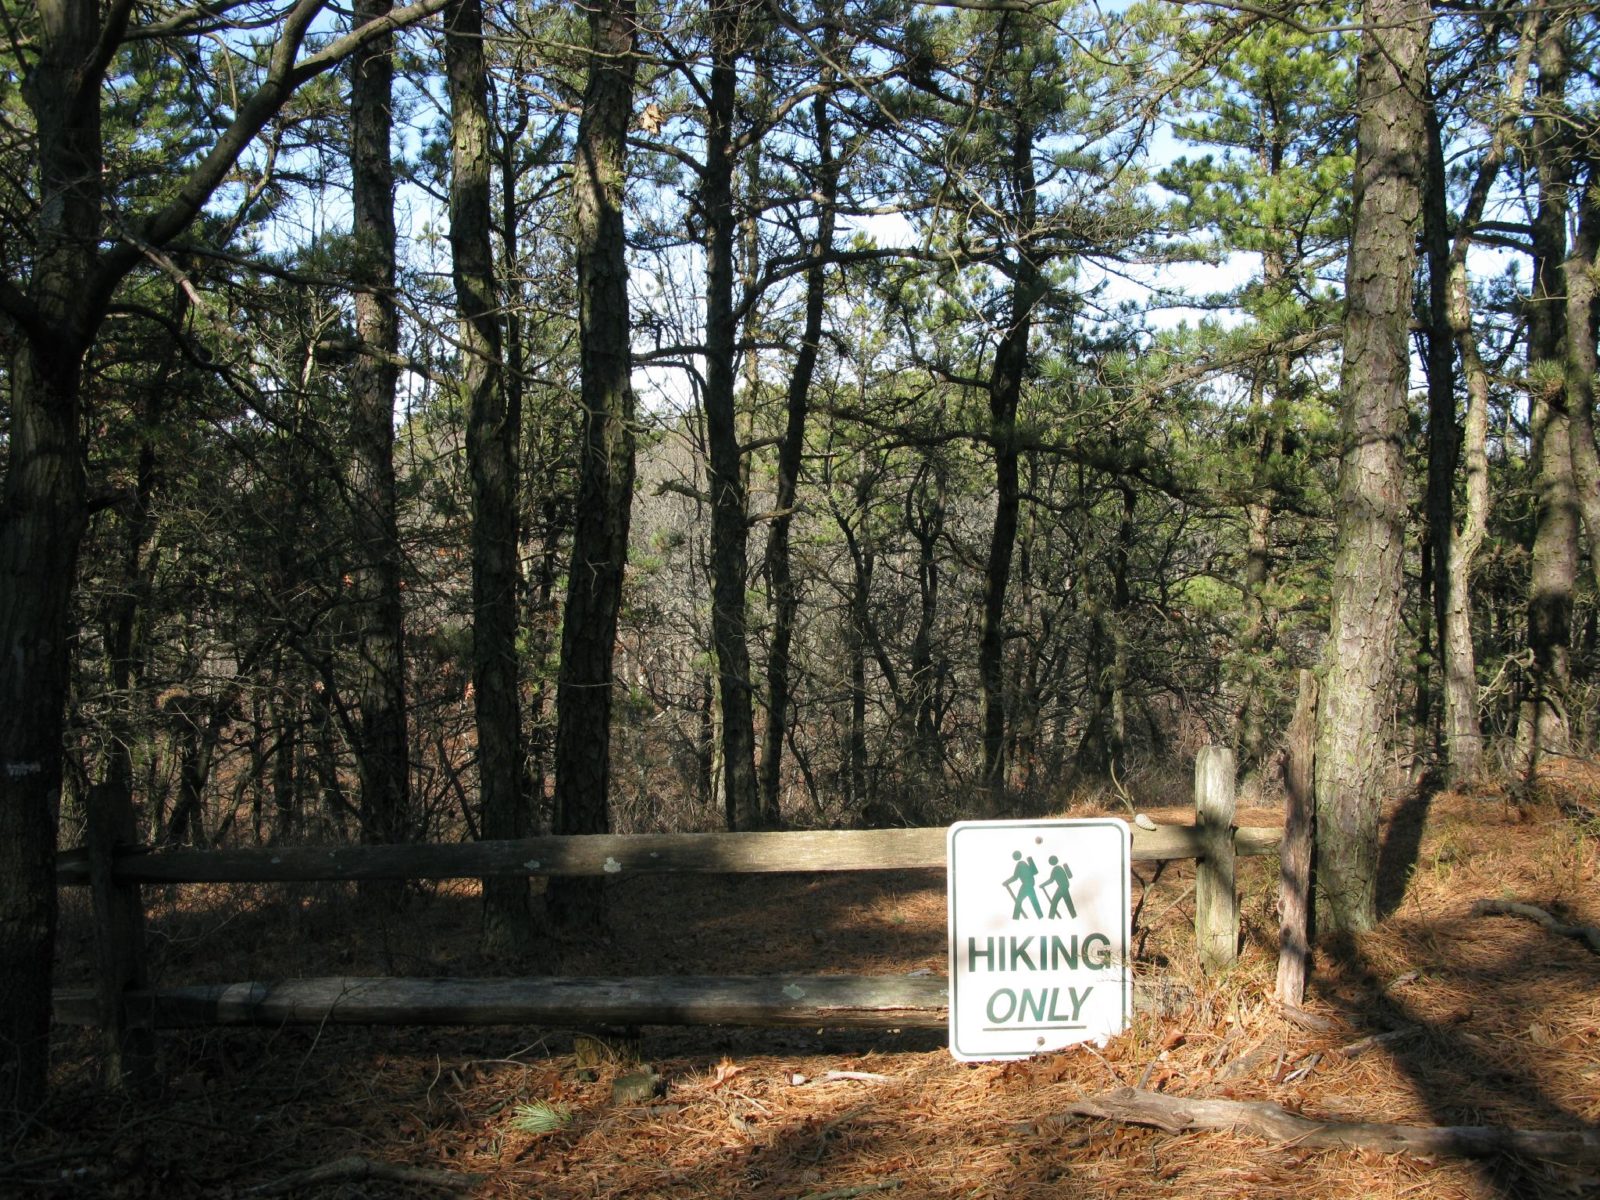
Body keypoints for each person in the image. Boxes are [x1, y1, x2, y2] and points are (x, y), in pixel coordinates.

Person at [1004, 850, 1043, 919]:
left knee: (1018, 901)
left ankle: (1015, 918)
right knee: (1034, 902)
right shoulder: (1025, 863)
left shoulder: (1019, 865)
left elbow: (1015, 877)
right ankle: (1040, 917)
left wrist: (1006, 882)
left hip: (1026, 885)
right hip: (1031, 885)